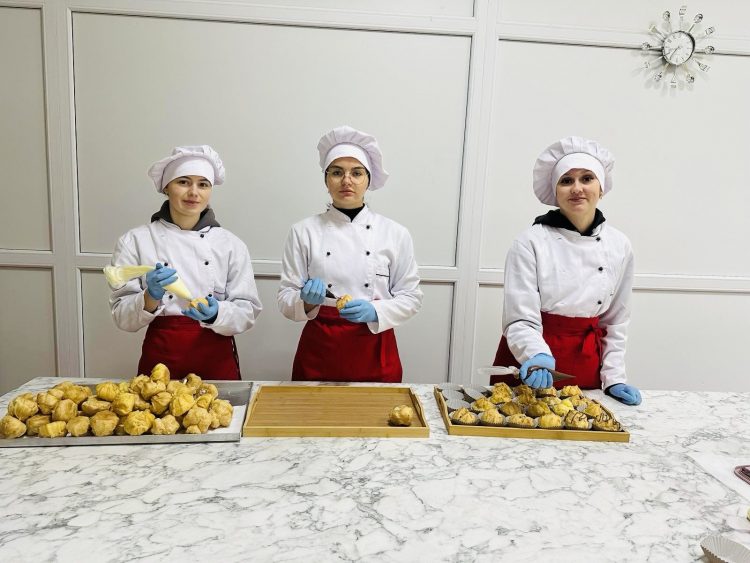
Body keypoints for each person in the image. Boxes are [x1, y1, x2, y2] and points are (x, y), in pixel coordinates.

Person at [492, 136, 642, 405]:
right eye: (566, 180)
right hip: (531, 361)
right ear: (555, 190)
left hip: (586, 361)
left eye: (587, 178)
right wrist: (535, 355)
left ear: (601, 187)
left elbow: (615, 321)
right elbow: (519, 318)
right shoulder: (529, 242)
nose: (577, 188)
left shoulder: (620, 245)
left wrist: (614, 377)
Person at [278, 125, 422, 382]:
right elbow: (285, 299)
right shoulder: (302, 231)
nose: (347, 181)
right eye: (337, 172)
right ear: (326, 180)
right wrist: (307, 302)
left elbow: (411, 298)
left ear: (368, 179)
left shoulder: (395, 233)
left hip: (375, 348)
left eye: (356, 173)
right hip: (319, 351)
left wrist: (375, 311)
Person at [109, 145, 262, 380]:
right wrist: (150, 297)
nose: (193, 192)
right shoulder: (135, 240)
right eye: (183, 182)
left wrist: (216, 313)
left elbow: (247, 311)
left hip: (216, 360)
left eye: (203, 184)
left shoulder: (231, 244)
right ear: (166, 187)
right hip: (161, 361)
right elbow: (122, 317)